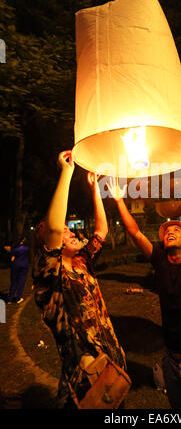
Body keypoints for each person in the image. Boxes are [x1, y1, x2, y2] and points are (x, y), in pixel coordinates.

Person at [107, 157, 181, 409]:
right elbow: (135, 232)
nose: (170, 231)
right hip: (171, 361)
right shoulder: (159, 261)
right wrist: (119, 200)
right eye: (167, 231)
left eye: (177, 230)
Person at [32, 150, 126, 408]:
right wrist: (67, 173)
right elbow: (52, 227)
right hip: (84, 380)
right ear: (48, 244)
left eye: (68, 229)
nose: (70, 233)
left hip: (112, 365)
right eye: (63, 232)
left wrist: (95, 188)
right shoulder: (49, 277)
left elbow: (101, 231)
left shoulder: (81, 263)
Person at [7, 238, 30, 304]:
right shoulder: (26, 248)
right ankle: (18, 298)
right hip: (24, 265)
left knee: (14, 282)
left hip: (15, 265)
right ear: (22, 241)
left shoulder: (15, 249)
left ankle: (10, 299)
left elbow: (12, 259)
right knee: (21, 282)